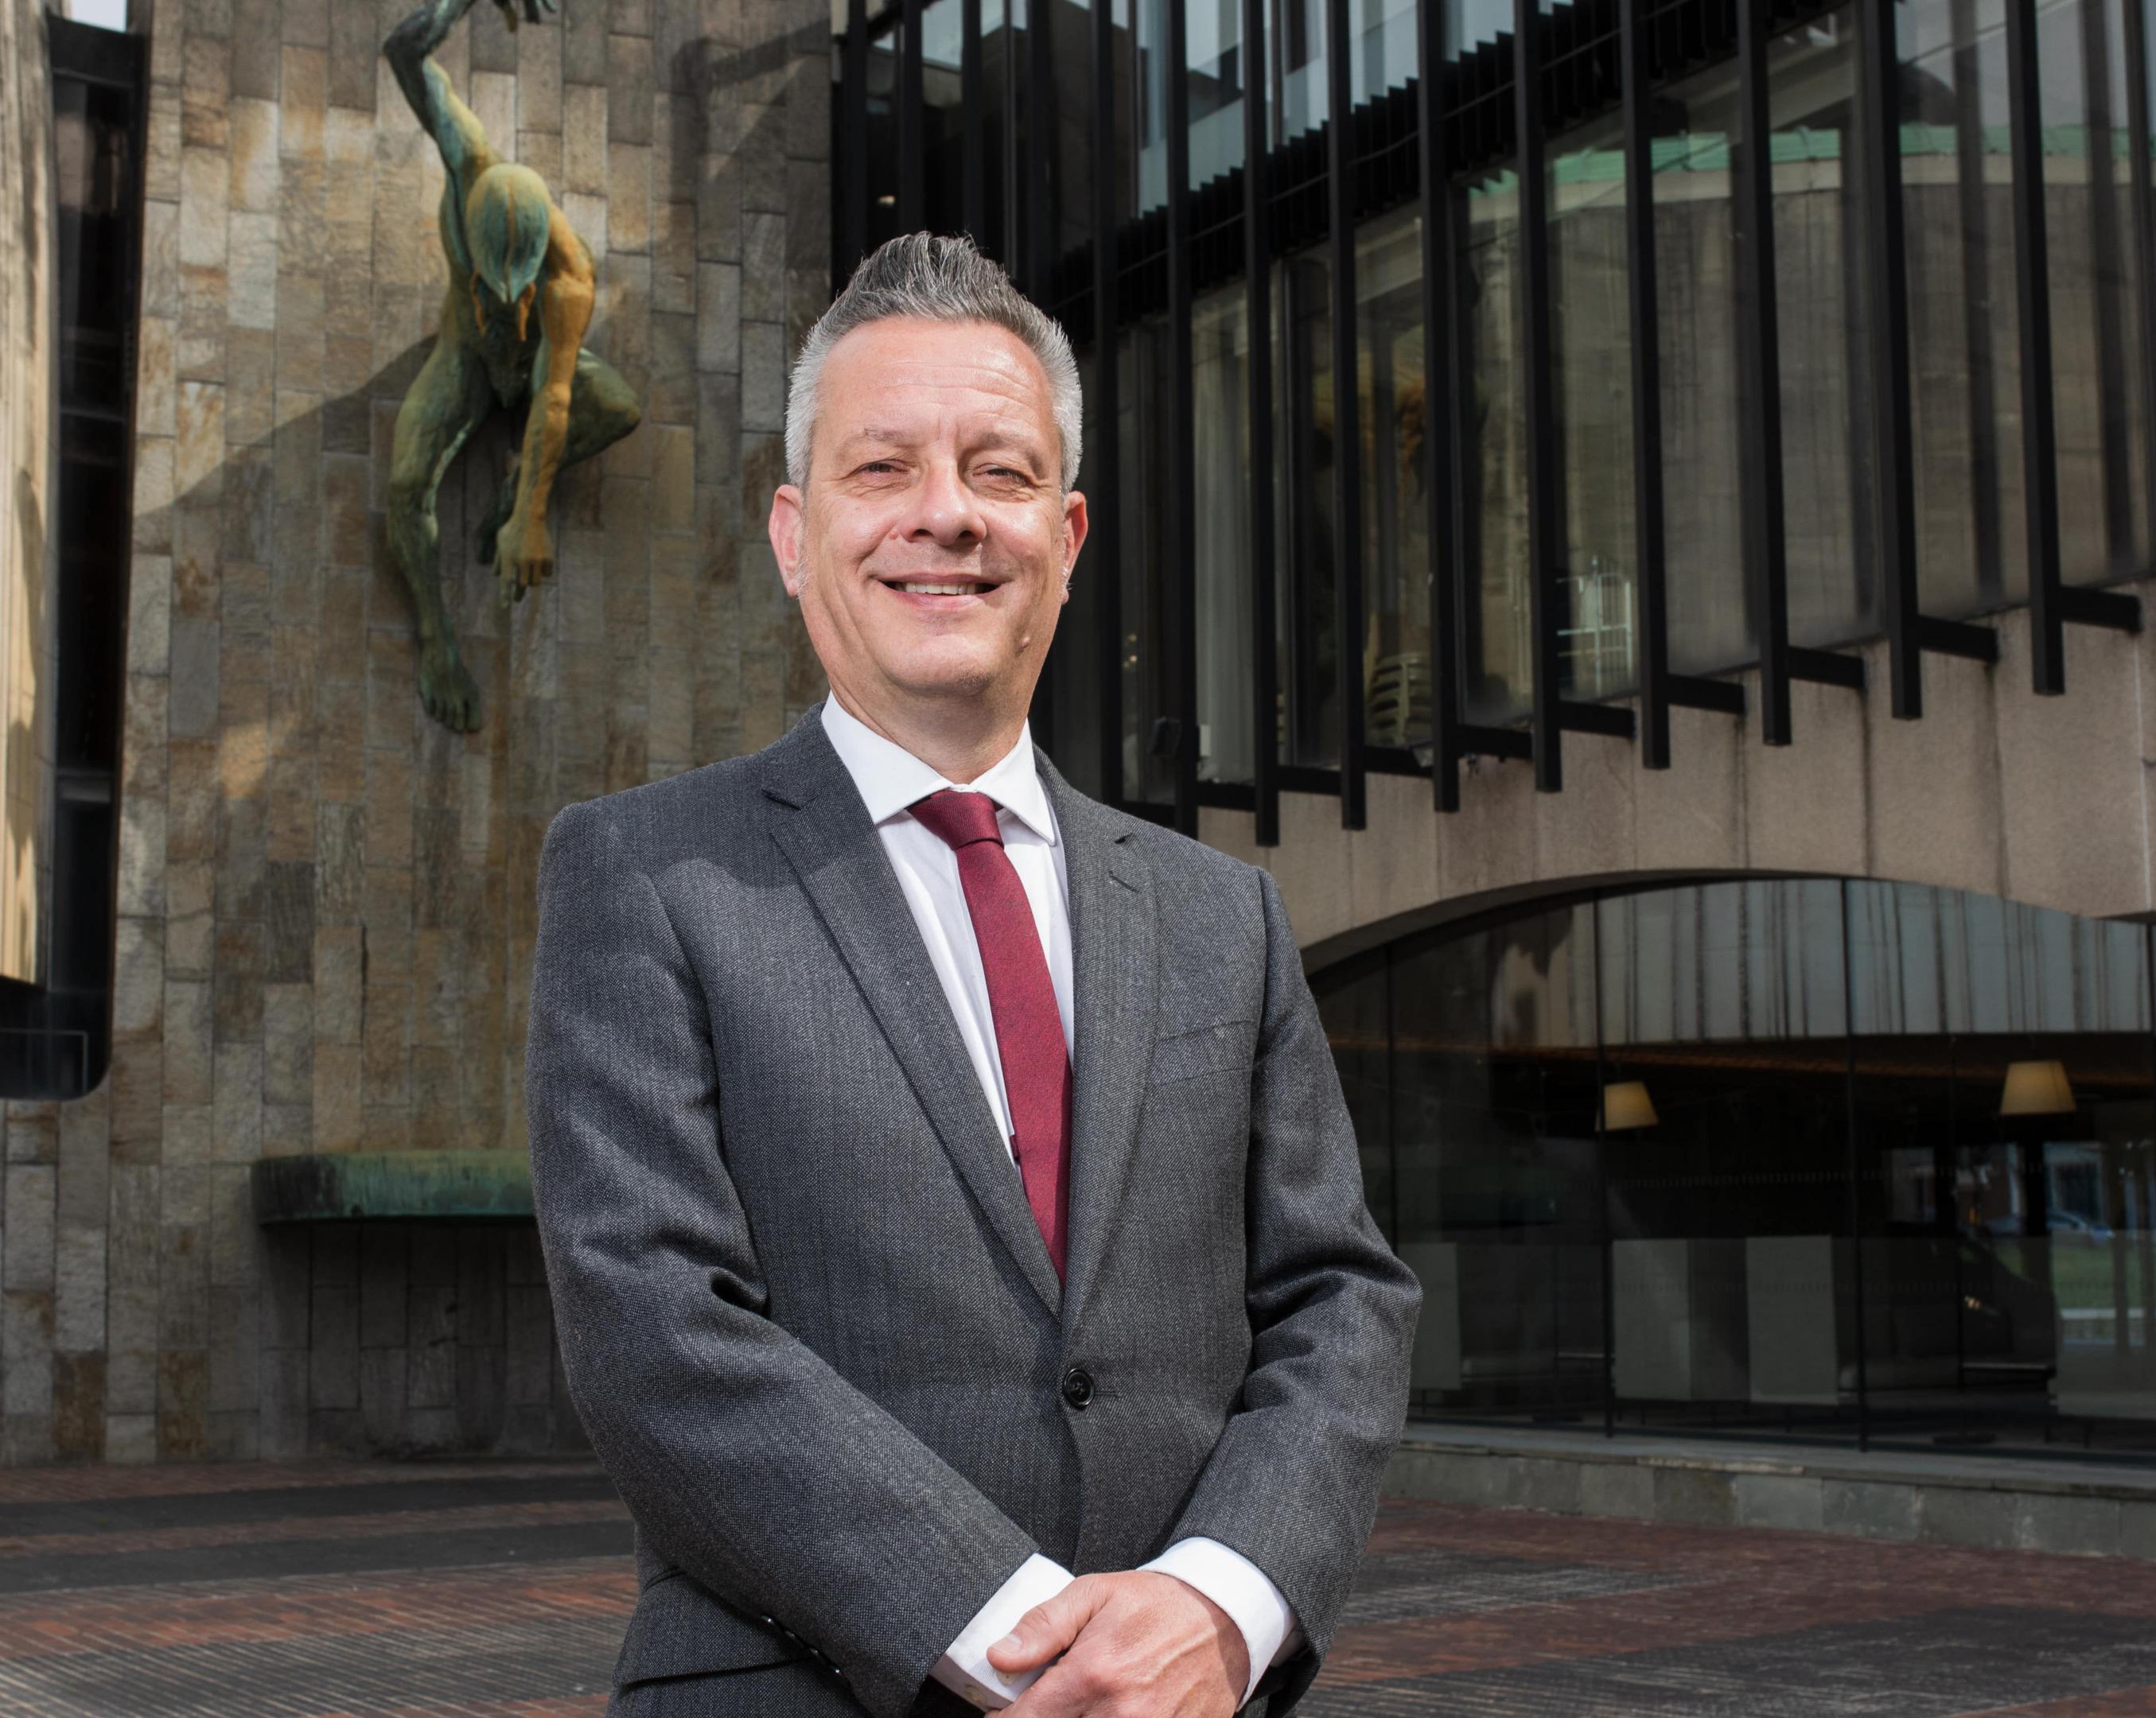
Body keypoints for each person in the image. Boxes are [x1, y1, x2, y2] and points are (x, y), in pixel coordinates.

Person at [527, 233, 1419, 1717]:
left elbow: (1341, 1298)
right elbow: (650, 1327)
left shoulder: (1225, 918)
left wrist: (1220, 1602)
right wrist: (1020, 1635)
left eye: (998, 473)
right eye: (884, 470)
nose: (946, 515)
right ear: (792, 534)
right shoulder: (642, 877)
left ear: (1065, 540)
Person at [381, 0, 643, 731]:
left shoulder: (569, 280)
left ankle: (513, 492)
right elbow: (404, 52)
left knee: (617, 407)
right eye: (493, 292)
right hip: (463, 359)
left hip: (531, 375)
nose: (506, 302)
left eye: (514, 294)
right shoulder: (466, 155)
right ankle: (437, 640)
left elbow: (556, 395)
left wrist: (529, 516)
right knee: (406, 483)